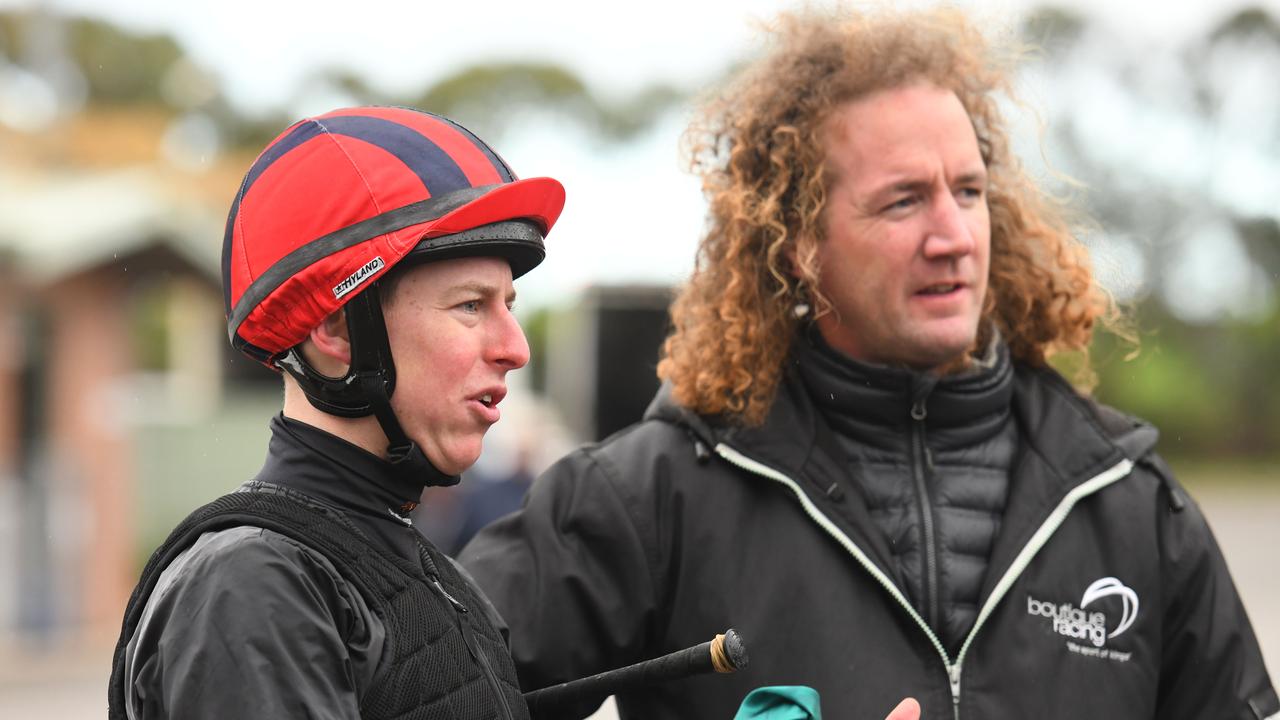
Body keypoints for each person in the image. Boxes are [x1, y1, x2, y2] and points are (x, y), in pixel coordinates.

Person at [459, 7, 1279, 720]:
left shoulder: (1130, 505)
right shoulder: (650, 499)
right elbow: (412, 694)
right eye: (902, 200)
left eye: (968, 190)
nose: (953, 235)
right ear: (800, 245)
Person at [108, 105, 565, 719]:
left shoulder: (428, 571)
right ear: (338, 328)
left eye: (509, 305)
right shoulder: (251, 583)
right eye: (470, 306)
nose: (515, 348)